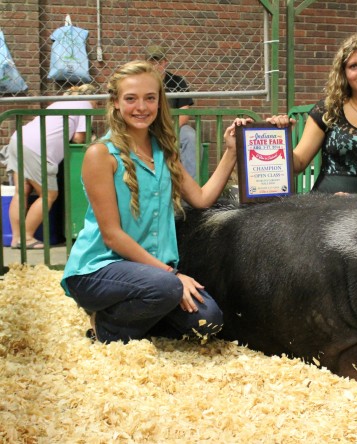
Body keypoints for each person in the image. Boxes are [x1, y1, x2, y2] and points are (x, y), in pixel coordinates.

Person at [60, 60, 245, 344]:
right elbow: (111, 235)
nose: (141, 107)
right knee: (167, 289)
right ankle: (106, 326)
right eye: (131, 98)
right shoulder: (100, 154)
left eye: (150, 98)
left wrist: (231, 151)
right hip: (98, 270)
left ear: (159, 102)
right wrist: (171, 275)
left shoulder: (164, 151)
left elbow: (202, 199)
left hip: (154, 276)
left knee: (208, 320)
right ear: (116, 103)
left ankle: (131, 316)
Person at [268, 33, 357, 199]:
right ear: (343, 72)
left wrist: (356, 202)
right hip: (326, 209)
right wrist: (280, 138)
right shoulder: (328, 110)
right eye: (353, 66)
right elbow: (298, 163)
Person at [6, 84, 97, 250]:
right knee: (48, 194)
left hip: (18, 139)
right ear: (93, 99)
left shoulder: (60, 102)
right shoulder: (84, 104)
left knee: (21, 192)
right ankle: (26, 237)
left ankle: (16, 238)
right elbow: (78, 138)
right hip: (37, 148)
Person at [146, 45, 198, 180]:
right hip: (148, 127)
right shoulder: (143, 82)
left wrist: (170, 131)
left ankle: (190, 189)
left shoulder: (177, 82)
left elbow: (184, 114)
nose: (155, 65)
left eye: (158, 61)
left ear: (165, 62)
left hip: (174, 127)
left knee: (190, 136)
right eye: (151, 61)